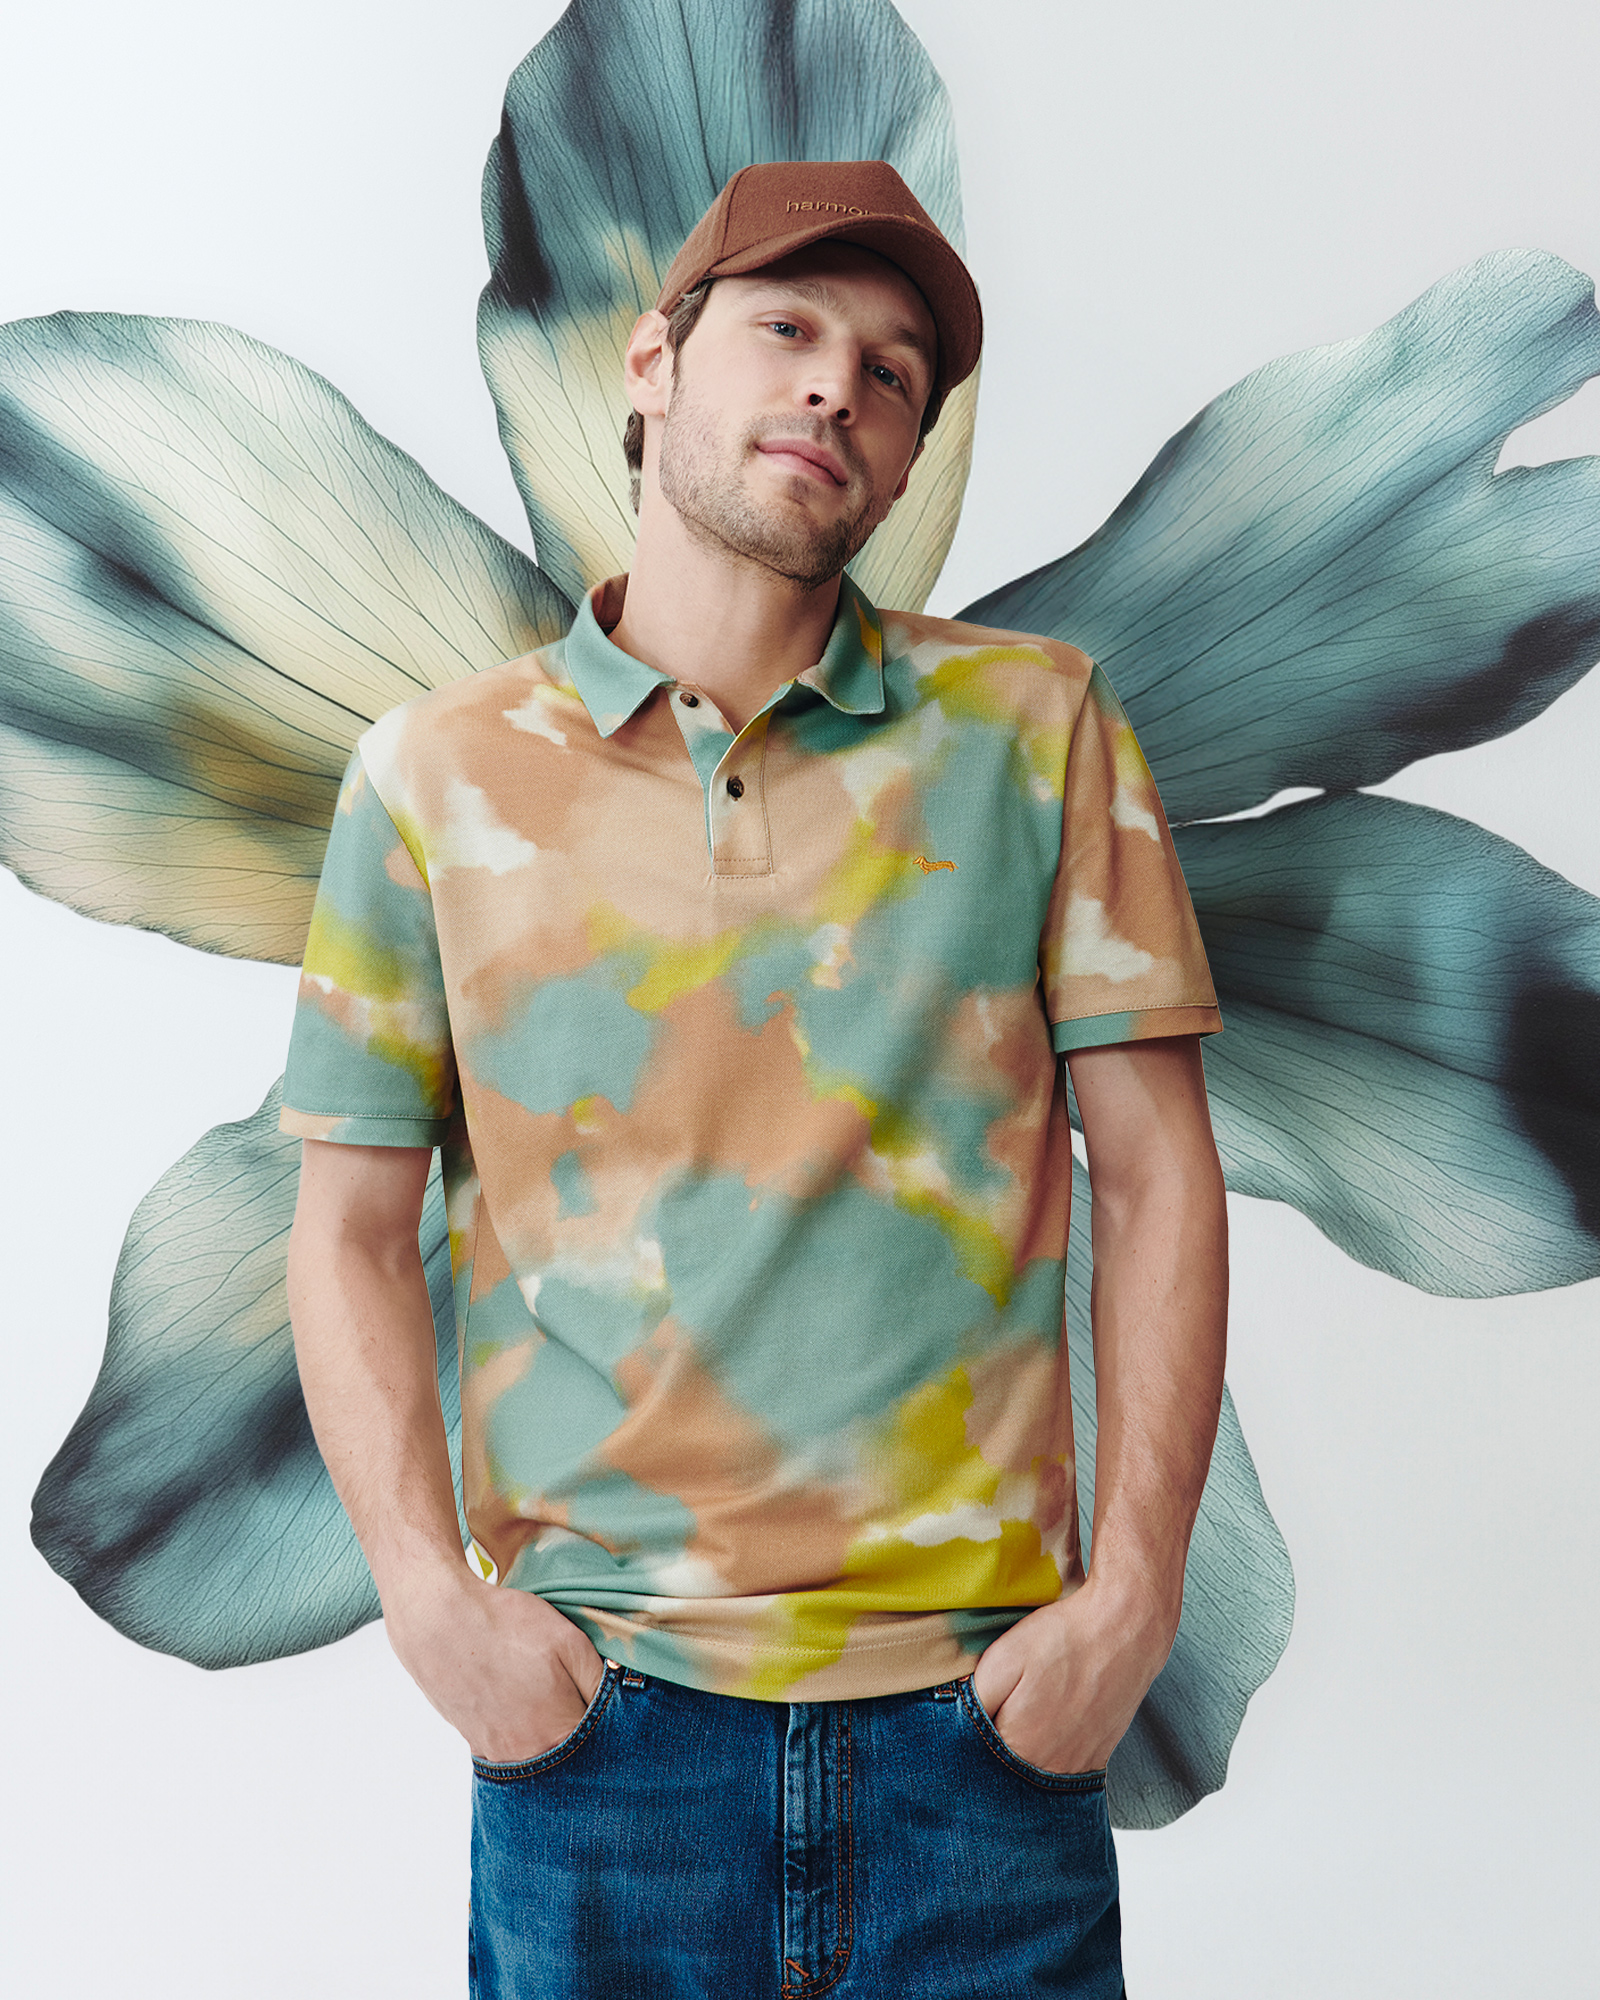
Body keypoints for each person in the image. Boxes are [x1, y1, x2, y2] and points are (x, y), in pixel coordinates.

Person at [282, 159, 1228, 1999]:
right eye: (788, 328)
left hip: (983, 1732)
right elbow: (348, 1223)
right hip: (602, 1744)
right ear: (651, 365)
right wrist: (427, 1598)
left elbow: (1157, 1170)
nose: (835, 388)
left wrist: (1132, 1600)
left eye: (891, 373)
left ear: (909, 452)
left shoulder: (1037, 731)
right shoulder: (431, 776)